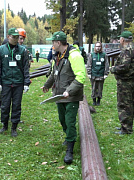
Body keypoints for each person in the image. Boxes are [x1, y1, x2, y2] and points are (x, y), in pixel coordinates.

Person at [41, 31, 86, 164]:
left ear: (58, 43)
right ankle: (69, 136)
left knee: (70, 120)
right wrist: (47, 85)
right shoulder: (58, 56)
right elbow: (54, 73)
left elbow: (81, 77)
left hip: (71, 96)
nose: (52, 44)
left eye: (53, 42)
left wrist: (69, 91)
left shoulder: (75, 56)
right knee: (62, 119)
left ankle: (70, 149)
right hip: (59, 95)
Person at [0, 28, 30, 137]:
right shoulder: (0, 50)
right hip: (5, 82)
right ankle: (4, 125)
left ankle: (14, 127)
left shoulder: (23, 50)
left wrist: (26, 82)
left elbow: (25, 67)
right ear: (8, 36)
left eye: (17, 37)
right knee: (5, 105)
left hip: (18, 82)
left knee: (16, 105)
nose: (15, 39)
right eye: (13, 37)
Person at [110, 31, 134, 135]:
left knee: (124, 104)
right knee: (129, 104)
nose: (119, 40)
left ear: (123, 39)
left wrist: (113, 69)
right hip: (132, 80)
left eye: (120, 39)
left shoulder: (127, 50)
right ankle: (126, 125)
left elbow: (124, 66)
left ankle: (126, 129)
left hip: (125, 82)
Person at [87, 41, 109, 106]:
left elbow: (107, 64)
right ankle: (94, 100)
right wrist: (89, 73)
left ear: (101, 47)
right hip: (93, 74)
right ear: (95, 47)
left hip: (101, 74)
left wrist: (106, 73)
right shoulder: (92, 55)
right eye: (97, 46)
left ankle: (98, 100)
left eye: (99, 46)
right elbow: (89, 64)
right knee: (94, 88)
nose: (98, 48)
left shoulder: (104, 55)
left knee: (100, 88)